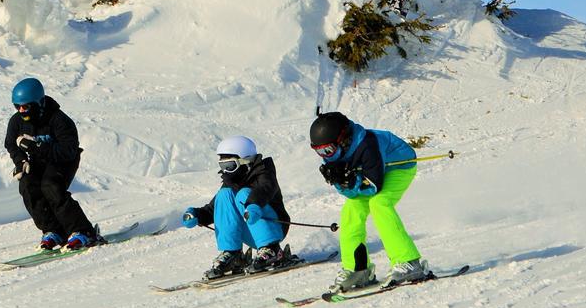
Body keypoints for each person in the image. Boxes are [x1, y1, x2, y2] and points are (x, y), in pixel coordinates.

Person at [309, 111, 426, 292]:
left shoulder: (367, 145)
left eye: (327, 150)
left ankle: (409, 262)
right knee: (351, 210)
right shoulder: (333, 153)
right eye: (319, 151)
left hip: (399, 167)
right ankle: (358, 268)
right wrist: (340, 181)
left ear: (343, 139)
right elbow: (352, 195)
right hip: (372, 173)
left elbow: (373, 187)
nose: (325, 155)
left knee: (379, 203)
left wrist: (349, 180)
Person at [4, 77, 101, 251]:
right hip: (38, 161)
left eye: (25, 106)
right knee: (27, 186)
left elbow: (68, 150)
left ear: (38, 102)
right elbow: (11, 143)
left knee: (51, 186)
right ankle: (52, 230)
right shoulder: (17, 121)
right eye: (17, 106)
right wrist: (20, 161)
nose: (21, 110)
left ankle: (84, 232)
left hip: (63, 161)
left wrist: (37, 147)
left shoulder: (59, 120)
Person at [181, 136, 292, 280]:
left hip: (274, 228)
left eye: (230, 166)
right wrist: (197, 215)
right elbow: (213, 209)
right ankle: (233, 255)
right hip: (250, 232)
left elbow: (264, 190)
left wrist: (253, 205)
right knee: (224, 195)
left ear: (246, 162)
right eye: (222, 166)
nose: (226, 171)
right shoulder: (230, 182)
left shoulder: (265, 174)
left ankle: (272, 250)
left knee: (244, 194)